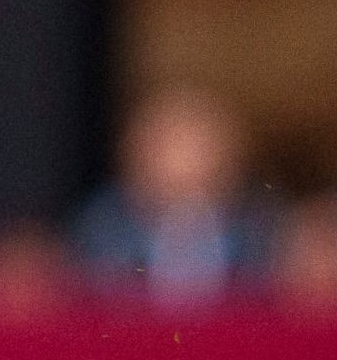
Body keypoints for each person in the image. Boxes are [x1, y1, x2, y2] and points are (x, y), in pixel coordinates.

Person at [70, 85, 269, 302]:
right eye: (172, 146)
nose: (185, 165)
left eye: (199, 150)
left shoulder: (258, 230)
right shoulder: (103, 229)